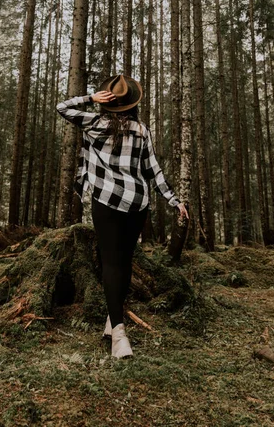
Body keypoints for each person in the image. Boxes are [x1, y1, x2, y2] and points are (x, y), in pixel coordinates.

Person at [57, 74, 188, 359]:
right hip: (138, 203)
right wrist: (173, 199)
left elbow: (62, 107)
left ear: (107, 102)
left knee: (111, 264)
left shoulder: (94, 123)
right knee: (123, 263)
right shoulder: (141, 129)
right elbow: (153, 170)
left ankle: (119, 335)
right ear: (132, 104)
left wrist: (89, 99)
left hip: (106, 201)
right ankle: (112, 321)